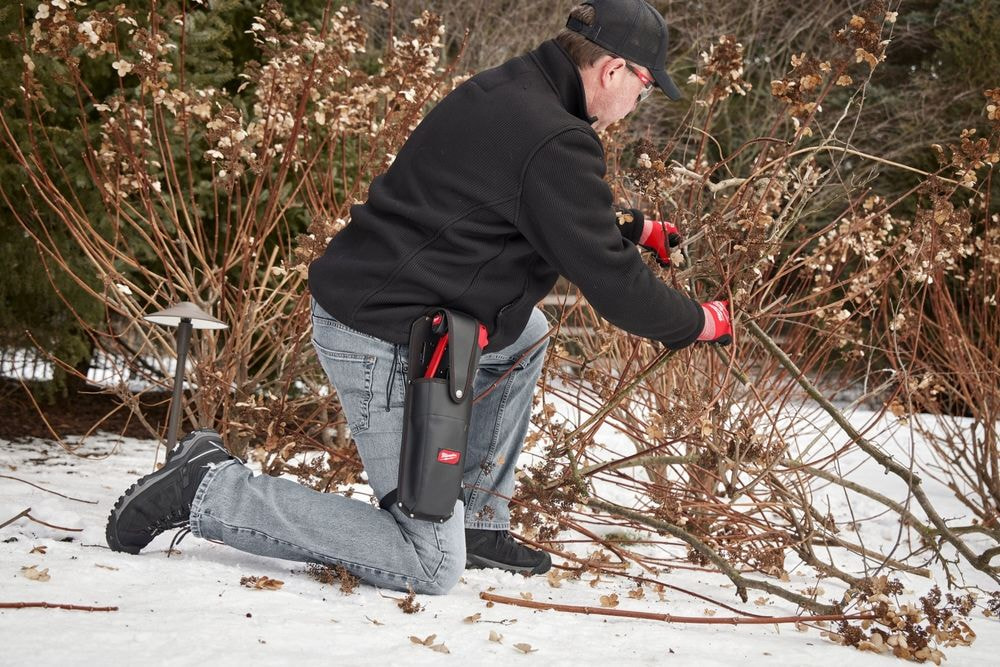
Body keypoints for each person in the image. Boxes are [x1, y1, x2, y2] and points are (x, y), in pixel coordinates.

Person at [105, 0, 732, 595]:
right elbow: (616, 287)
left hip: (394, 300)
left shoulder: (512, 88)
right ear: (613, 69)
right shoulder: (555, 137)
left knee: (525, 335)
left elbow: (519, 200)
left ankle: (478, 522)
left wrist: (631, 228)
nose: (641, 101)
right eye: (646, 86)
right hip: (381, 335)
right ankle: (207, 489)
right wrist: (699, 322)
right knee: (428, 562)